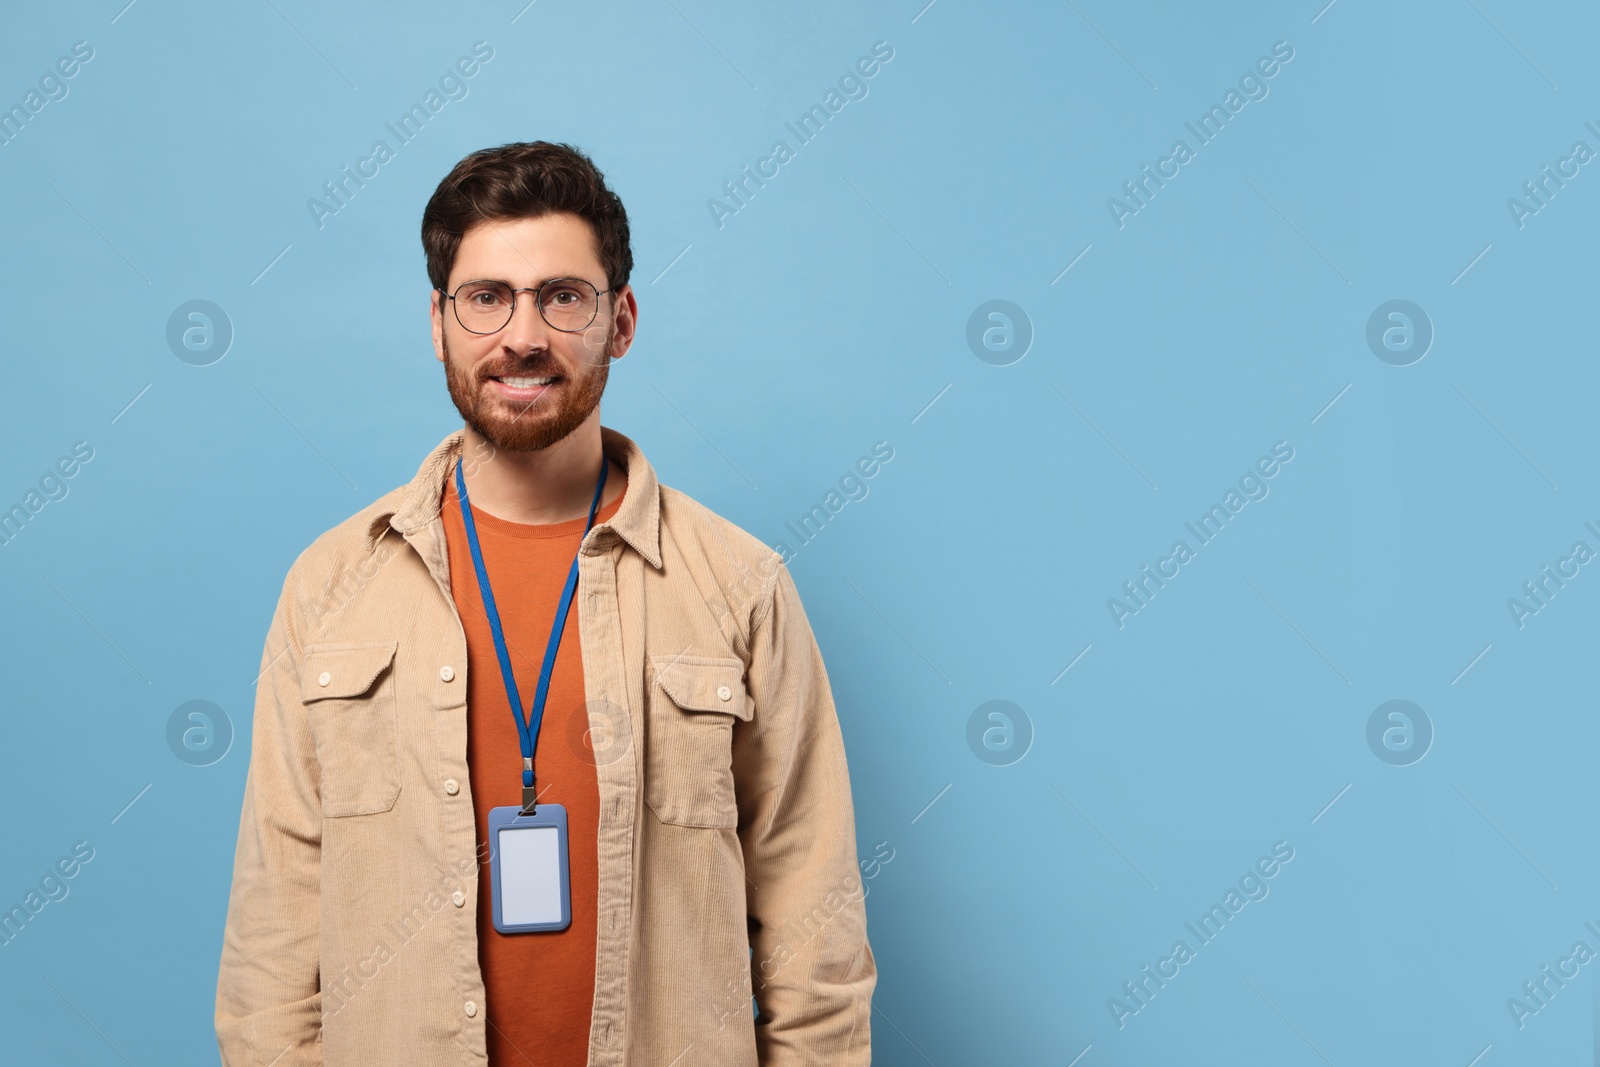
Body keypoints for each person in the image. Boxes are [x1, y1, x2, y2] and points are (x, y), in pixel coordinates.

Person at [215, 141, 875, 1066]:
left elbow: (817, 929)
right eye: (486, 297)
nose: (522, 335)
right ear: (438, 323)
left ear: (622, 320)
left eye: (562, 295)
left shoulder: (740, 586)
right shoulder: (330, 587)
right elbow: (273, 943)